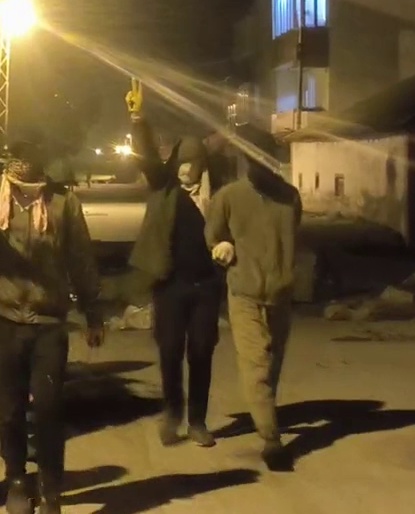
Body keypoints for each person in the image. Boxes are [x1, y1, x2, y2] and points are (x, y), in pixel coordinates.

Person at [0, 119, 105, 514]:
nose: (21, 165)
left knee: (48, 409)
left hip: (49, 323)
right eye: (16, 157)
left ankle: (51, 489)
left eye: (29, 156)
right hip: (4, 320)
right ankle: (16, 480)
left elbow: (81, 260)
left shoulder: (63, 203)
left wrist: (93, 312)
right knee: (11, 411)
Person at [125, 82, 226, 448]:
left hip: (205, 286)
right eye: (181, 164)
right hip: (169, 284)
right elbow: (147, 156)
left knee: (201, 351)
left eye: (192, 165)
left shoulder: (218, 195)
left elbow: (235, 229)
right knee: (169, 350)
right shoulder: (164, 186)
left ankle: (198, 420)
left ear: (202, 166)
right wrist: (139, 119)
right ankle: (172, 413)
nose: (185, 171)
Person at [205, 124, 302, 472]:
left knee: (272, 364)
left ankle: (264, 412)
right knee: (256, 363)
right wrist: (221, 246)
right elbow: (213, 235)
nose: (257, 165)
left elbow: (293, 233)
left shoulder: (290, 197)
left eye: (262, 159)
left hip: (281, 293)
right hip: (244, 292)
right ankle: (272, 440)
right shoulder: (229, 197)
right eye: (251, 159)